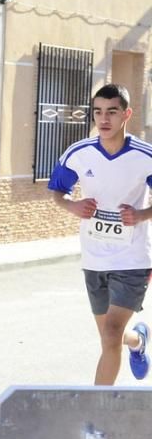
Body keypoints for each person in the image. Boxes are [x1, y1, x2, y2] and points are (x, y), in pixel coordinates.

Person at [49, 83, 151, 385]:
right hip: (94, 258)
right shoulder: (79, 153)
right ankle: (138, 341)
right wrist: (73, 206)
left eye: (112, 112)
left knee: (109, 335)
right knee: (112, 337)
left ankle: (98, 419)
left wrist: (142, 214)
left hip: (132, 258)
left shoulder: (145, 156)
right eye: (97, 112)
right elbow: (57, 192)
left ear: (126, 115)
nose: (103, 119)